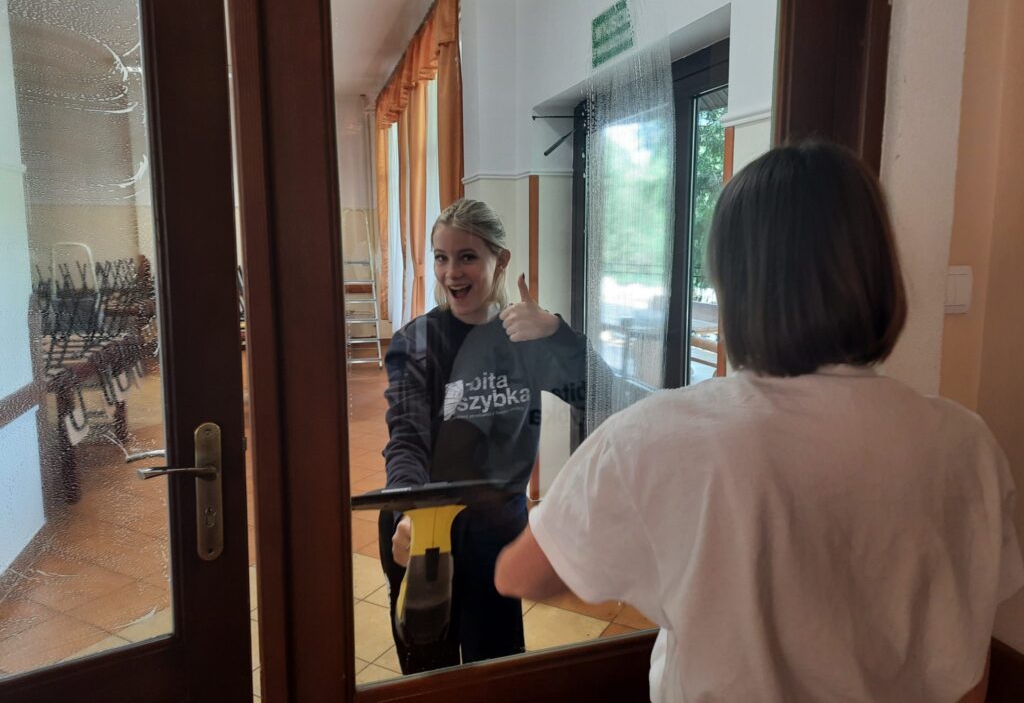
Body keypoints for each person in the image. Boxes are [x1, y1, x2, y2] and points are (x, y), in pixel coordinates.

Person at [494, 140, 1024, 703]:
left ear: (735, 285)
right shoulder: (967, 442)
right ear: (878, 274)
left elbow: (519, 574)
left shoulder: (654, 437)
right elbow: (968, 660)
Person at [379, 197, 595, 674]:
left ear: (501, 259)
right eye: (441, 257)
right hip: (422, 530)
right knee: (429, 673)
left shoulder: (526, 336)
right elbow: (406, 439)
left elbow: (599, 395)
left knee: (497, 670)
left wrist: (557, 333)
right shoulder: (416, 341)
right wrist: (409, 508)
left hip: (497, 530)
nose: (451, 272)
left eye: (467, 256)